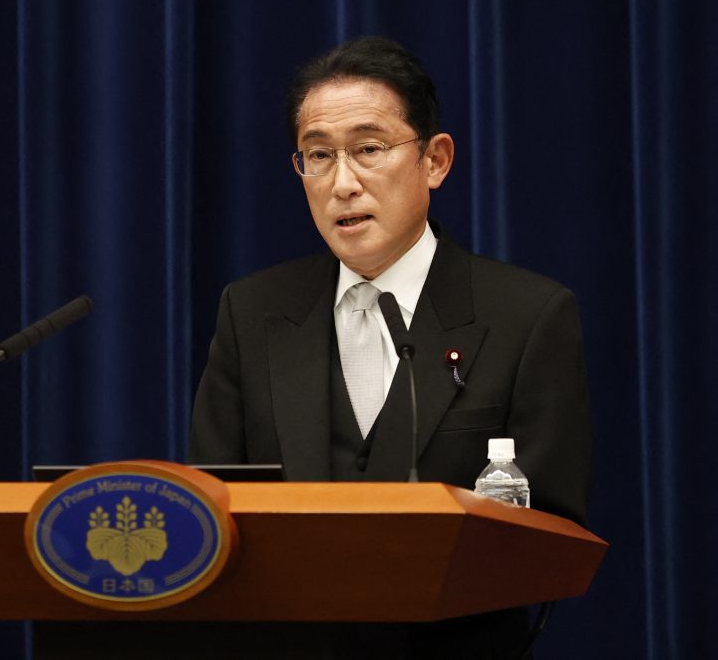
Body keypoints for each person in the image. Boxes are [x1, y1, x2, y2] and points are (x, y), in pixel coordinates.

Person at [188, 36, 592, 658]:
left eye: (369, 150)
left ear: (435, 160)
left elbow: (554, 532)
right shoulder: (253, 312)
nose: (342, 183)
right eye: (318, 156)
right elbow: (211, 511)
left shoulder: (527, 316)